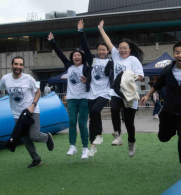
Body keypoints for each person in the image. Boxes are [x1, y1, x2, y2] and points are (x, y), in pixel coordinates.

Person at [141, 41, 181, 177]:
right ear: (174, 54)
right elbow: (158, 84)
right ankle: (169, 131)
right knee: (163, 138)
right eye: (177, 52)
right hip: (168, 113)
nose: (180, 55)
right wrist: (147, 95)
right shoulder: (167, 70)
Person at [0, 56, 55, 168]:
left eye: (21, 64)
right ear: (12, 65)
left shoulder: (29, 78)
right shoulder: (6, 78)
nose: (18, 67)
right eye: (16, 64)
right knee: (25, 138)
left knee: (34, 135)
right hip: (18, 114)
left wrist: (33, 105)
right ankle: (36, 159)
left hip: (32, 111)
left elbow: (38, 92)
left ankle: (47, 137)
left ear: (23, 67)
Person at [98, 20, 144, 157]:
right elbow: (108, 42)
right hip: (116, 90)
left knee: (129, 122)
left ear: (130, 49)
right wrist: (101, 29)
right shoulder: (115, 55)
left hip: (129, 92)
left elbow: (141, 76)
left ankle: (131, 142)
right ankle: (117, 135)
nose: (122, 50)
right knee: (114, 109)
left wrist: (131, 77)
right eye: (120, 48)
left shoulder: (134, 60)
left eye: (125, 48)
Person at [47, 32, 90, 159]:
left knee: (82, 124)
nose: (76, 57)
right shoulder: (69, 66)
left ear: (82, 57)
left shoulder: (86, 68)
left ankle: (85, 148)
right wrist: (52, 42)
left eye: (78, 55)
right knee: (72, 122)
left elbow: (93, 81)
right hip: (71, 99)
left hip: (83, 99)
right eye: (74, 55)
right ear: (72, 58)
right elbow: (60, 54)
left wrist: (87, 81)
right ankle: (72, 146)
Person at [77, 19, 112, 157]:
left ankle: (100, 134)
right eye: (99, 50)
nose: (101, 51)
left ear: (107, 50)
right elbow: (85, 47)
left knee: (96, 110)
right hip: (91, 93)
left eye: (104, 49)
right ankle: (93, 146)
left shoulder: (111, 62)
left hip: (104, 92)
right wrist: (81, 32)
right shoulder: (93, 60)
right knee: (92, 119)